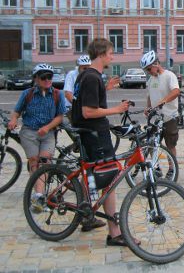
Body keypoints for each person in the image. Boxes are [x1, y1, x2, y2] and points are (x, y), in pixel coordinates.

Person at [71, 38, 132, 245]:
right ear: (101, 54)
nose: (112, 56)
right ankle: (114, 233)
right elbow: (88, 111)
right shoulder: (91, 77)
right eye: (110, 52)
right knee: (109, 180)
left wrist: (106, 89)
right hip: (95, 134)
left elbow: (87, 101)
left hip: (91, 133)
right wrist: (116, 110)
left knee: (92, 176)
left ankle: (86, 214)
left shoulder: (87, 76)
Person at [8, 64, 66, 211]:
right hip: (29, 132)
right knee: (34, 161)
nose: (47, 80)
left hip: (48, 133)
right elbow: (17, 111)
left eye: (50, 77)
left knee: (44, 161)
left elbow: (60, 117)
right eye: (43, 77)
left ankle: (38, 195)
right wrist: (14, 120)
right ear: (36, 79)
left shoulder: (58, 94)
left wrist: (47, 127)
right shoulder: (28, 93)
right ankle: (39, 195)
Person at [141, 50, 180, 159]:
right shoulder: (151, 80)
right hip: (155, 118)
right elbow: (149, 95)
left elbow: (176, 91)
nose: (148, 72)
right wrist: (148, 107)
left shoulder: (169, 76)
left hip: (169, 117)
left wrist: (164, 100)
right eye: (146, 70)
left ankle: (172, 170)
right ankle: (155, 169)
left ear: (156, 64)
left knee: (170, 145)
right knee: (151, 144)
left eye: (149, 69)